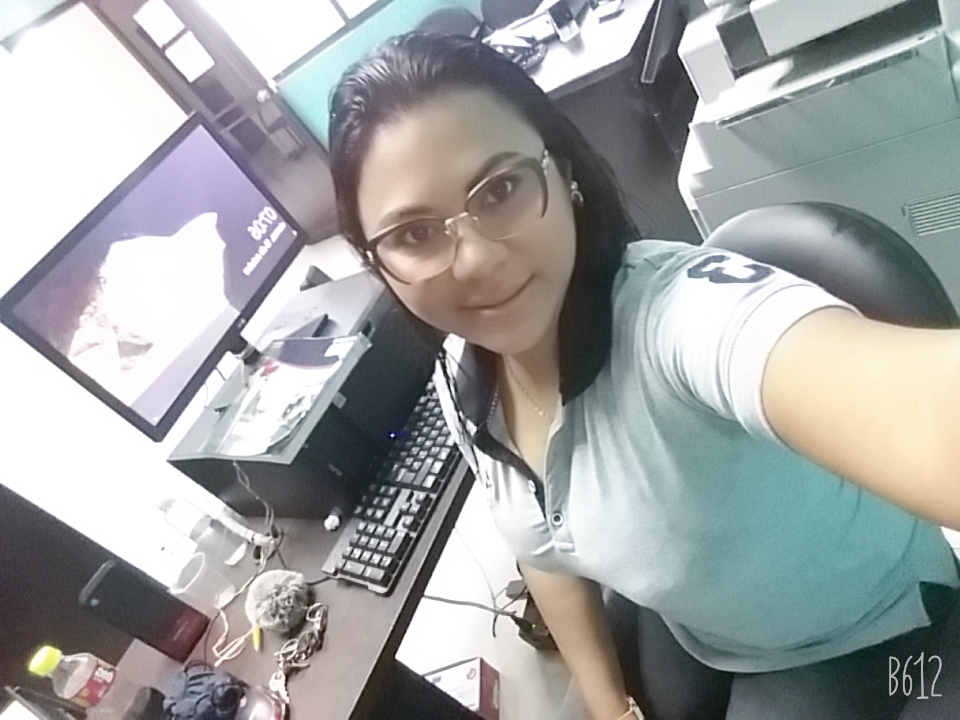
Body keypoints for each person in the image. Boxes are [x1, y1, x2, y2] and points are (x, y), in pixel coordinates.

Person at [327, 33, 960, 720]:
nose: (476, 259)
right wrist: (609, 706)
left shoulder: (678, 319)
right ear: (375, 263)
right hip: (703, 630)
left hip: (867, 625)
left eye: (502, 188)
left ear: (564, 171)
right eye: (415, 235)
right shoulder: (463, 375)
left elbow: (925, 412)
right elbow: (540, 547)